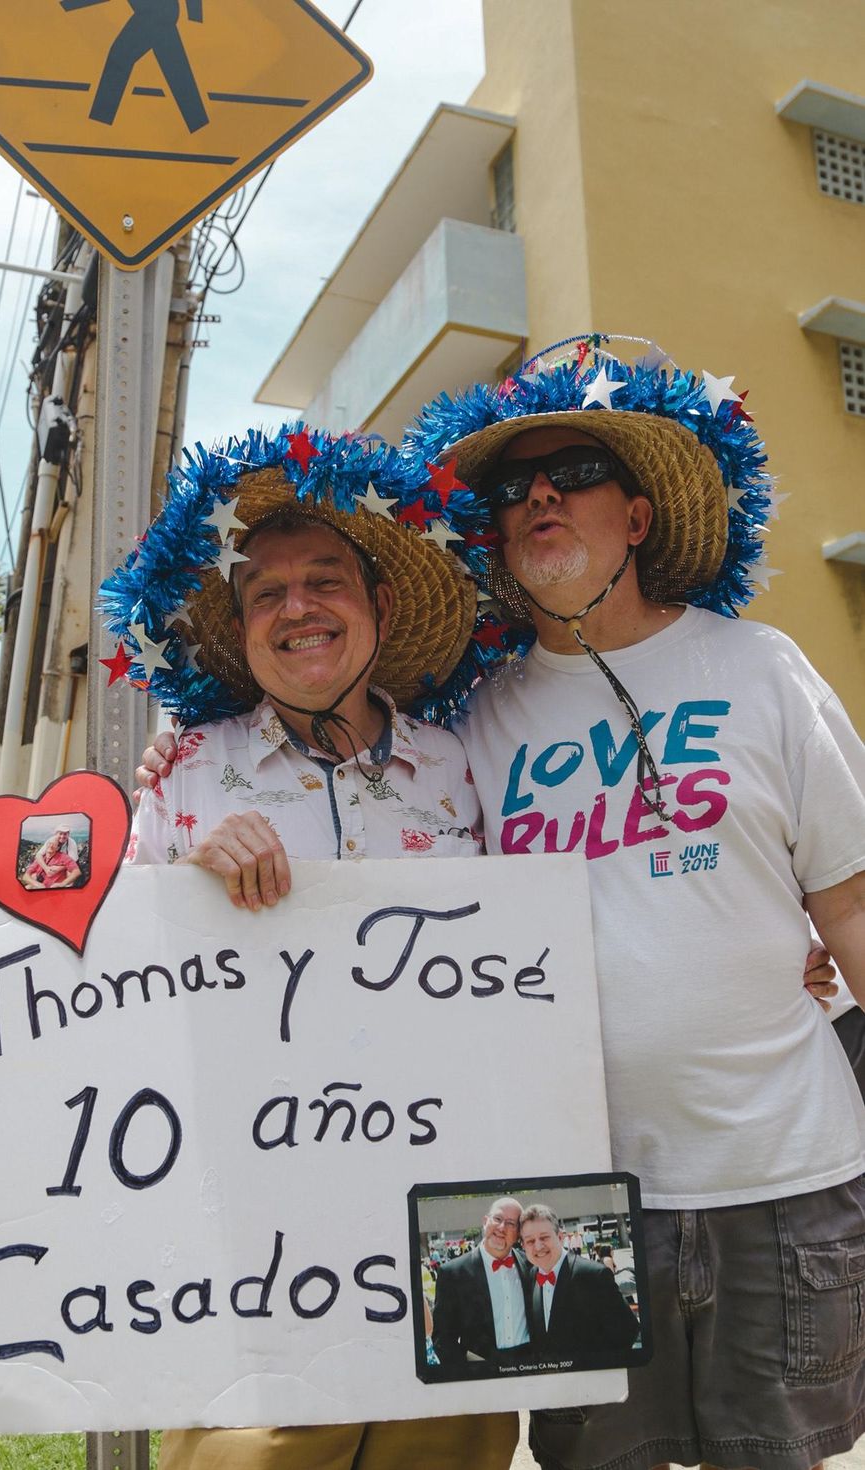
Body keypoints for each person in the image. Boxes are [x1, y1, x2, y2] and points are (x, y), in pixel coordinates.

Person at [402, 334, 865, 1470]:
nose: (539, 498)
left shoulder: (761, 668)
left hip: (784, 1176)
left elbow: (851, 905)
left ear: (640, 518)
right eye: (514, 487)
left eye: (574, 475)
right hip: (558, 1204)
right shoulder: (472, 725)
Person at [101, 427, 518, 1470]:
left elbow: (537, 948)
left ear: (380, 606)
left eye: (324, 581)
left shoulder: (461, 764)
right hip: (254, 1231)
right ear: (241, 629)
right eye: (265, 593)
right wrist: (185, 882)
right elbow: (107, 992)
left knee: (448, 1450)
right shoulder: (184, 773)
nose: (298, 608)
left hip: (444, 1203)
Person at [518, 1205, 638, 1363]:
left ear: (560, 1237)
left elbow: (628, 1330)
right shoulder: (531, 1276)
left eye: (544, 1237)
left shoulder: (594, 1275)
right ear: (523, 1246)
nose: (538, 1246)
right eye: (530, 1241)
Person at [431, 1197, 531, 1370]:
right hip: (481, 1371)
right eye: (497, 1219)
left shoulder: (532, 1266)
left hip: (529, 1368)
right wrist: (468, 1374)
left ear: (518, 1234)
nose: (501, 1227)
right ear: (485, 1222)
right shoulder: (453, 1273)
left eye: (511, 1223)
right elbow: (443, 1338)